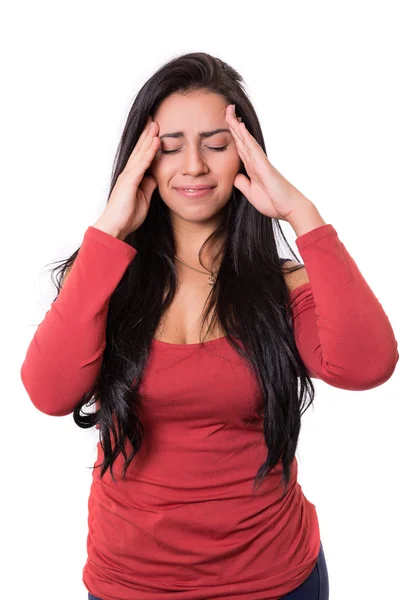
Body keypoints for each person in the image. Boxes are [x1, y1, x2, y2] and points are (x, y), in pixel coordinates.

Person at [20, 52, 398, 600]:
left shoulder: (283, 285)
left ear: (246, 156)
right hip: (130, 583)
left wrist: (301, 214)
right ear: (141, 160)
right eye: (170, 147)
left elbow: (368, 366)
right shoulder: (103, 275)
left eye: (216, 145)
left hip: (273, 579)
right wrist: (109, 230)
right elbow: (49, 393)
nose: (193, 166)